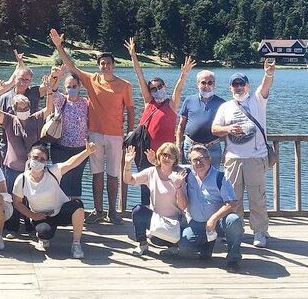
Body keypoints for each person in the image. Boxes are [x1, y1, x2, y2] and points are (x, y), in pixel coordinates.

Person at [50, 28, 134, 225]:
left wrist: (130, 133)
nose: (105, 66)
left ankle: (112, 212)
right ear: (98, 66)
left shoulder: (125, 85)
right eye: (102, 63)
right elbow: (71, 66)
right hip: (94, 134)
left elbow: (131, 110)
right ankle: (98, 211)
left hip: (115, 136)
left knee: (113, 174)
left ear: (113, 65)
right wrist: (59, 46)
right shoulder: (91, 80)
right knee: (97, 173)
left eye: (108, 63)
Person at [211, 60, 276, 248]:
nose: (238, 87)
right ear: (230, 88)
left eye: (242, 84)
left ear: (248, 85)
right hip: (233, 159)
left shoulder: (257, 100)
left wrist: (268, 73)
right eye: (235, 84)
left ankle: (260, 232)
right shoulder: (225, 107)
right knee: (233, 199)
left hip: (256, 158)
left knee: (257, 197)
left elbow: (265, 86)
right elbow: (214, 128)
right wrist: (228, 129)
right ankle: (235, 231)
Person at [125, 37, 194, 206]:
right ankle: (146, 215)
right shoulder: (149, 102)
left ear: (165, 87)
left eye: (159, 87)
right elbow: (140, 77)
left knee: (166, 187)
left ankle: (167, 214)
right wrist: (133, 55)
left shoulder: (171, 105)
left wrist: (184, 74)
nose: (156, 90)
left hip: (165, 155)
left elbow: (179, 89)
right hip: (145, 152)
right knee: (145, 187)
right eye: (153, 88)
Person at [0, 77, 53, 235]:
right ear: (15, 108)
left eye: (26, 108)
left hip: (32, 168)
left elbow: (49, 109)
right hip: (13, 167)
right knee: (12, 197)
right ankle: (12, 227)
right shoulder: (9, 120)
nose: (23, 110)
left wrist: (49, 92)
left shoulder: (35, 119)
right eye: (20, 108)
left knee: (30, 197)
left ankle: (31, 225)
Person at [11, 144, 96, 259]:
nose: (38, 161)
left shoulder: (53, 171)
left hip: (60, 211)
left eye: (42, 159)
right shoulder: (21, 179)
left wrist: (87, 152)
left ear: (46, 162)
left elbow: (71, 163)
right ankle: (43, 238)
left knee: (78, 206)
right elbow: (17, 202)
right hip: (41, 216)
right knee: (44, 233)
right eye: (35, 157)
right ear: (29, 157)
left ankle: (76, 244)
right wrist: (32, 215)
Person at [179, 144, 244, 270]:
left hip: (219, 222)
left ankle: (233, 258)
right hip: (197, 222)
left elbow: (231, 202)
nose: (198, 163)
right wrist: (154, 161)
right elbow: (168, 165)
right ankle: (207, 244)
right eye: (194, 160)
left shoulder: (220, 177)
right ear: (190, 162)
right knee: (185, 247)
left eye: (201, 159)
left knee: (234, 221)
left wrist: (213, 219)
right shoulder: (187, 174)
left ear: (209, 159)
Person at [124, 143, 188, 256]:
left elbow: (183, 206)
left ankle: (174, 245)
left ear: (175, 159)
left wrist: (178, 187)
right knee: (138, 211)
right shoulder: (151, 172)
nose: (167, 158)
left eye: (170, 156)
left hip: (175, 223)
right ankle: (142, 244)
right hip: (157, 221)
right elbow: (129, 180)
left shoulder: (180, 175)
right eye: (164, 154)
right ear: (159, 155)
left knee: (186, 242)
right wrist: (127, 164)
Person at [50, 73, 90, 200]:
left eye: (74, 86)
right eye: (68, 86)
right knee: (63, 179)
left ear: (79, 86)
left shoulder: (86, 103)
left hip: (80, 149)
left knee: (77, 179)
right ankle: (62, 207)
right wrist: (57, 76)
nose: (71, 89)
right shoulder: (61, 101)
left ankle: (76, 207)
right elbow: (53, 90)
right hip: (61, 147)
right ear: (65, 87)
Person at [177, 69, 227, 167]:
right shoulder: (189, 100)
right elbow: (181, 126)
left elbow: (226, 131)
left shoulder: (222, 104)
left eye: (210, 83)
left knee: (213, 175)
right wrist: (178, 146)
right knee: (189, 175)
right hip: (191, 147)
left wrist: (226, 149)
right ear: (198, 84)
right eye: (203, 82)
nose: (206, 86)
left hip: (213, 149)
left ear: (214, 84)